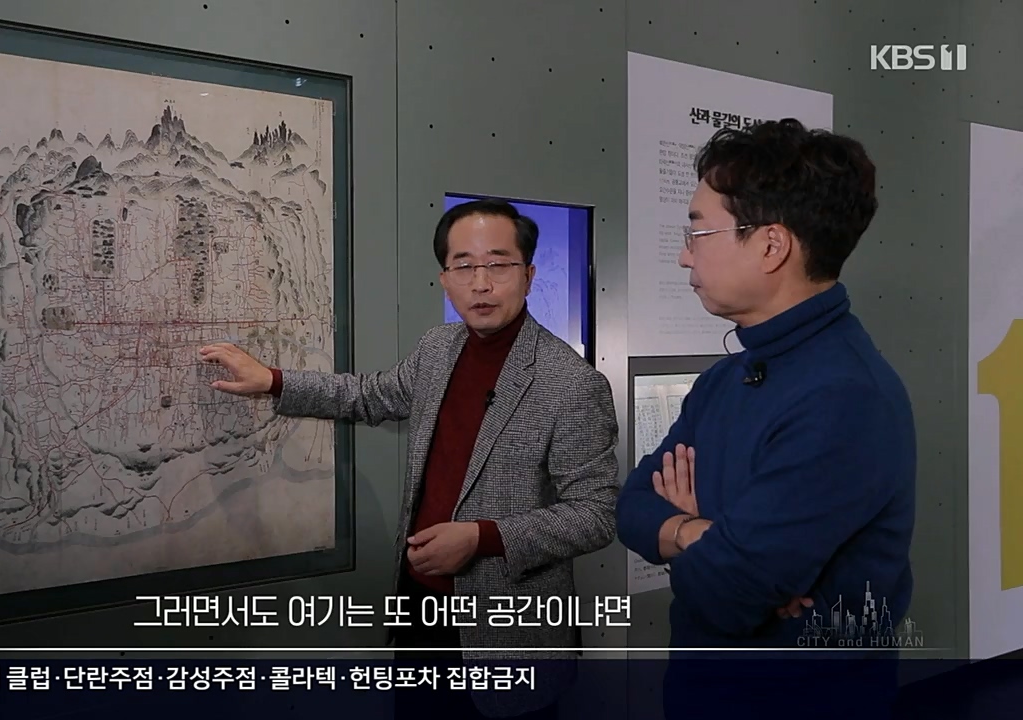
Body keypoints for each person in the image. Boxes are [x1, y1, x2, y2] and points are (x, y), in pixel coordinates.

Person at [201, 198, 621, 718]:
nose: (481, 283)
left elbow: (596, 515)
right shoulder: (437, 349)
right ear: (445, 280)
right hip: (419, 610)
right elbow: (368, 395)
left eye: (498, 264)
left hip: (506, 634)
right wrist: (272, 380)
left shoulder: (572, 384)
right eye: (464, 266)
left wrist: (482, 538)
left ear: (529, 275)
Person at [614, 119, 915, 712]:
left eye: (698, 232)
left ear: (772, 245)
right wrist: (698, 534)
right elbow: (631, 507)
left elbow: (725, 593)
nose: (683, 255)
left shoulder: (846, 397)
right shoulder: (725, 379)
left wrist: (692, 541)